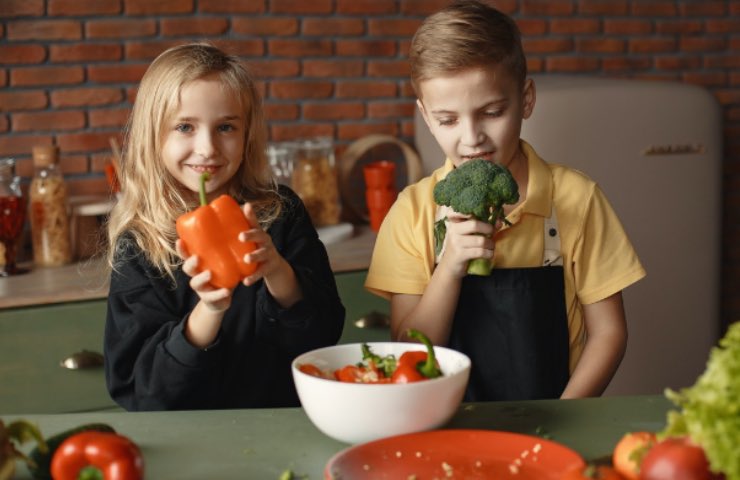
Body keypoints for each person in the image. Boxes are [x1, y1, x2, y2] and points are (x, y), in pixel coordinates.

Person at [365, 1, 646, 401]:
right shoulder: (412, 212)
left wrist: (566, 418)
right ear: (426, 117)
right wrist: (448, 268)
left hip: (556, 421)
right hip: (446, 431)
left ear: (526, 99)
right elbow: (410, 350)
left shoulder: (576, 199)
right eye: (448, 120)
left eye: (492, 112)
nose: (472, 137)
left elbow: (609, 333)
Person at [104, 43, 345, 411]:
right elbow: (142, 393)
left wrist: (278, 271)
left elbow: (324, 337)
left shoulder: (281, 212)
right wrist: (210, 310)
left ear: (247, 133)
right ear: (154, 135)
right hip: (190, 444)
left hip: (285, 422)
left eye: (226, 127)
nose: (208, 148)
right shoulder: (139, 243)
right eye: (185, 126)